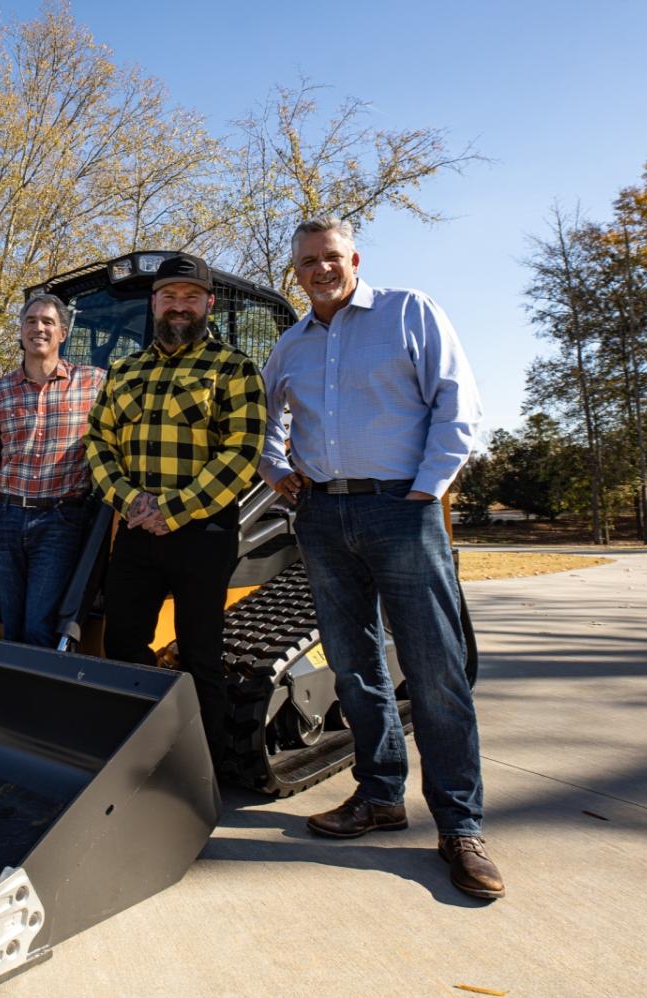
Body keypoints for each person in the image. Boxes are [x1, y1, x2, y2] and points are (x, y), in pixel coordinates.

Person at [260, 216, 503, 900]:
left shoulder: (408, 312)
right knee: (354, 666)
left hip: (402, 508)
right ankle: (380, 795)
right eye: (308, 261)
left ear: (354, 259)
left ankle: (460, 825)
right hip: (322, 517)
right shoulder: (291, 345)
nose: (320, 269)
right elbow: (265, 420)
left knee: (434, 671)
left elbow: (458, 400)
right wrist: (276, 466)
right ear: (297, 271)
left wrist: (427, 486)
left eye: (330, 257)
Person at [83, 253, 267, 762]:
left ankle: (200, 770)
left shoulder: (233, 368)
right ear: (154, 303)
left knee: (200, 654)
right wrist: (129, 499)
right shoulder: (124, 371)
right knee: (123, 648)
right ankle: (136, 757)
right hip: (137, 532)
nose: (179, 307)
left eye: (190, 297)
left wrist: (175, 509)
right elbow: (98, 442)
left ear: (208, 303)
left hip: (203, 533)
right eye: (169, 297)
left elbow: (242, 451)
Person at [0, 294, 105, 647]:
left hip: (60, 520)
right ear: (21, 330)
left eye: (47, 322)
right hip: (6, 519)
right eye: (30, 321)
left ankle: (40, 699)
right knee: (10, 624)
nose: (38, 328)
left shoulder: (94, 384)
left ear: (62, 333)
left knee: (39, 625)